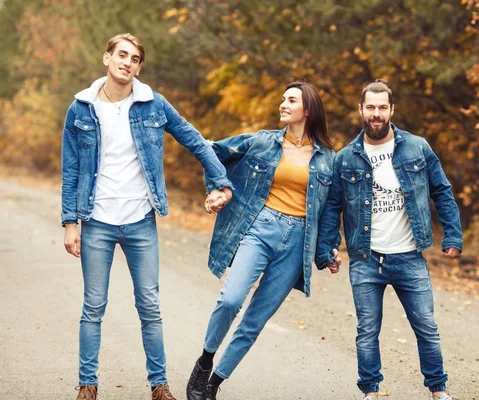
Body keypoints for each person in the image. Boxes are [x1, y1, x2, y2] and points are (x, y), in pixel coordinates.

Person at [61, 33, 233, 400]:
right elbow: (71, 169)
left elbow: (194, 139)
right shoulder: (81, 108)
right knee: (94, 305)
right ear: (106, 58)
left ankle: (160, 385)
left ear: (139, 66)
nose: (127, 62)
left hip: (140, 219)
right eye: (121, 55)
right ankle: (87, 385)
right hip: (96, 221)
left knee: (150, 305)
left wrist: (219, 181)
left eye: (135, 58)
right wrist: (70, 222)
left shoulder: (153, 104)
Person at [185, 81, 339, 400]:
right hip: (260, 227)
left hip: (298, 242)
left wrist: (327, 252)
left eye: (291, 100)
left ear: (307, 110)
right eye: (282, 99)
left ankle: (213, 384)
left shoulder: (328, 160)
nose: (283, 104)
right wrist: (217, 189)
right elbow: (212, 152)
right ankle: (205, 360)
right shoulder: (262, 141)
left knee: (255, 320)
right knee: (230, 299)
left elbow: (329, 211)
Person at [316, 80, 462, 400]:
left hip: (409, 256)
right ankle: (371, 391)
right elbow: (332, 209)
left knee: (426, 326)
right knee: (367, 331)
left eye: (383, 108)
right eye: (371, 108)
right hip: (366, 259)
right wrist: (326, 249)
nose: (376, 114)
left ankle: (438, 389)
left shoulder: (417, 147)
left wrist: (452, 234)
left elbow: (442, 191)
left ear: (392, 110)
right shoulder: (346, 158)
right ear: (361, 110)